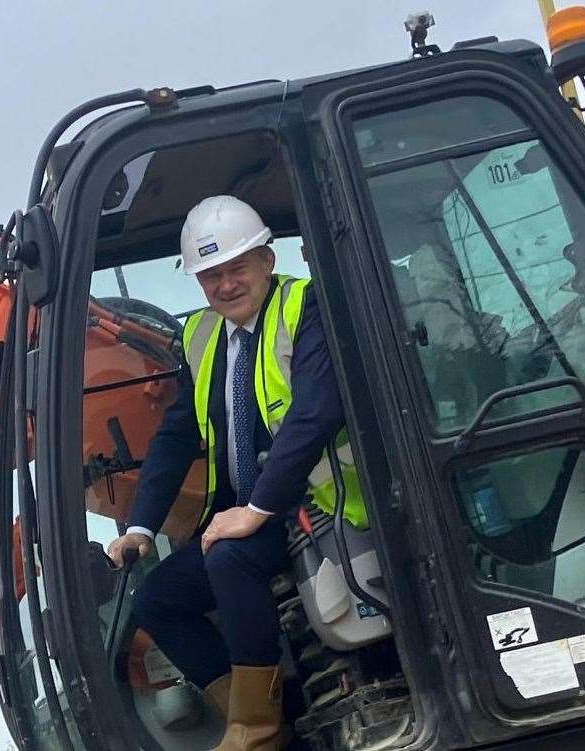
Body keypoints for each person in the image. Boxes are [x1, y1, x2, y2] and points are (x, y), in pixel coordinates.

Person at [107, 195, 366, 751]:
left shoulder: (305, 305)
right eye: (210, 275)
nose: (225, 285)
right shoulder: (201, 337)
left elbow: (317, 408)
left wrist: (256, 510)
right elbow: (178, 435)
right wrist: (140, 528)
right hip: (250, 509)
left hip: (320, 501)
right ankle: (263, 713)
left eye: (236, 269)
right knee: (158, 599)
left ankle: (258, 733)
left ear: (266, 262)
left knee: (229, 556)